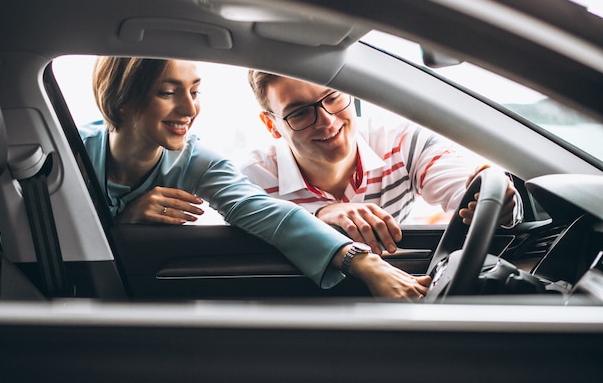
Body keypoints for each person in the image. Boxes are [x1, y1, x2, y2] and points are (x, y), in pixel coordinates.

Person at [79, 57, 431, 300]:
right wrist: (119, 222)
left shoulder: (197, 160)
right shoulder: (73, 154)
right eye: (168, 93)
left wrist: (366, 262)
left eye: (195, 91)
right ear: (122, 97)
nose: (189, 109)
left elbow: (267, 212)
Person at [242, 71, 523, 255]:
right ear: (272, 125)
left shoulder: (400, 142)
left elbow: (468, 190)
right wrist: (320, 216)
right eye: (301, 113)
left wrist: (497, 201)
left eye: (333, 97)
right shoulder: (250, 179)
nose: (327, 121)